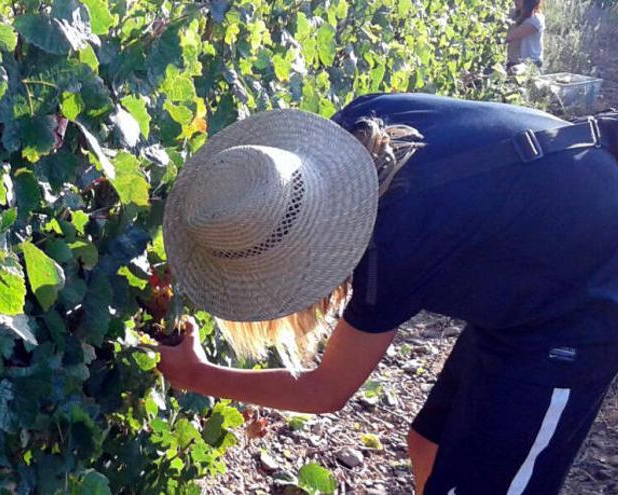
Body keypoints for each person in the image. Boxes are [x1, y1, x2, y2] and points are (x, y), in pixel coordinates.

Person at [156, 93, 618, 494]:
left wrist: (197, 376)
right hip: (536, 255)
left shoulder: (393, 243)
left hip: (581, 302)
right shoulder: (352, 135)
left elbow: (326, 390)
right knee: (428, 446)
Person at [506, 0, 545, 69]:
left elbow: (510, 37)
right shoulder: (515, 14)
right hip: (513, 63)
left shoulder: (535, 20)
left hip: (529, 66)